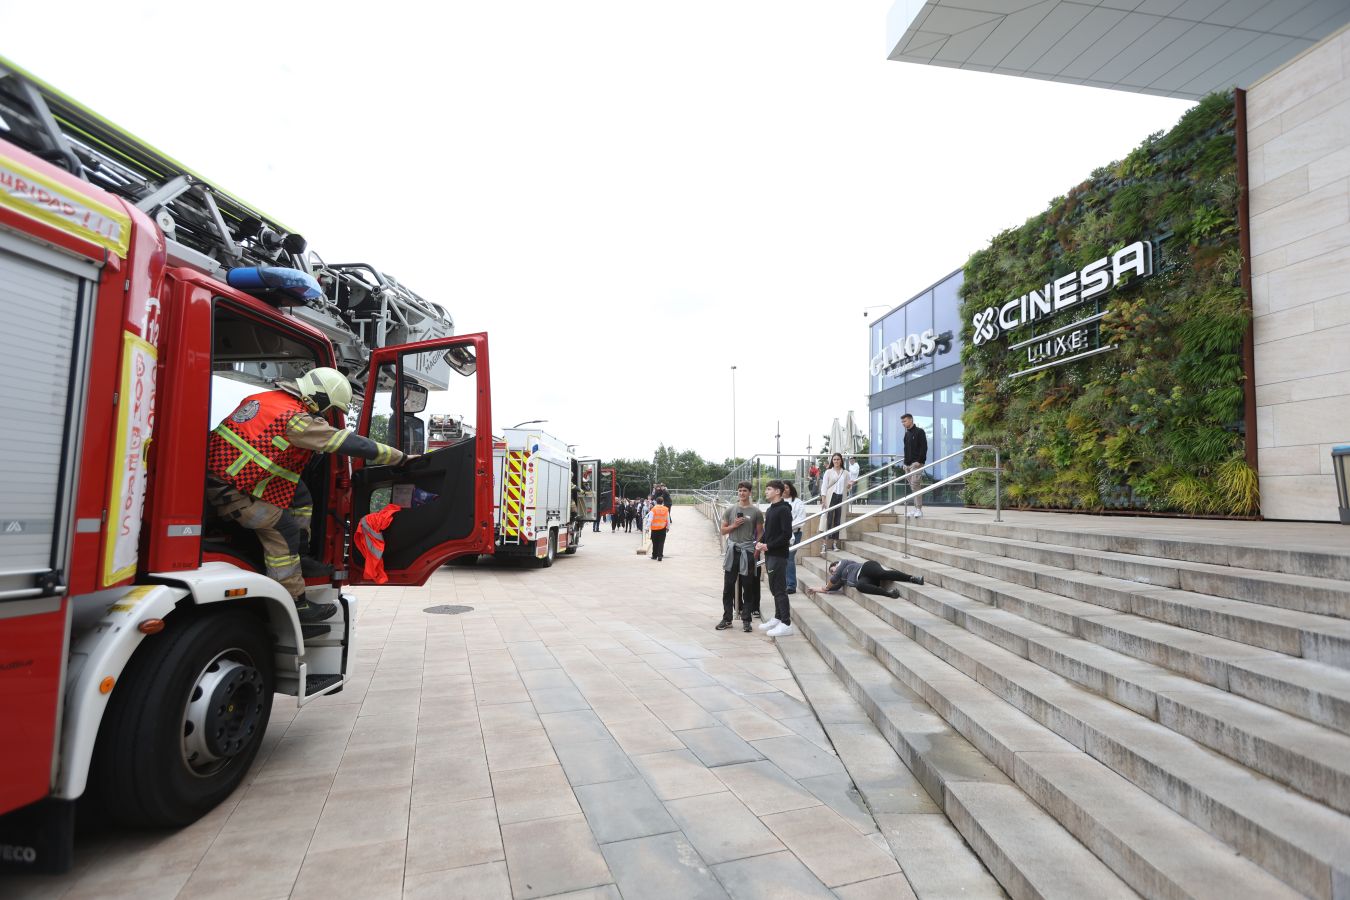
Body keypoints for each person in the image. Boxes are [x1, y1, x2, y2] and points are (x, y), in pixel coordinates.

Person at [206, 366, 406, 622]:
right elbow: (348, 443)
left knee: (299, 496)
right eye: (327, 408)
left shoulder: (267, 400)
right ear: (319, 396)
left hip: (225, 475)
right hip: (228, 488)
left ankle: (301, 556)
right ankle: (295, 604)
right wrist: (399, 457)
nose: (324, 414)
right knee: (283, 529)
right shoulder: (297, 420)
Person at [718, 481, 763, 632]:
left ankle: (746, 619)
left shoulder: (756, 512)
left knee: (748, 587)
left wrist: (756, 549)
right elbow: (723, 531)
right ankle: (727, 618)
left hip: (748, 551)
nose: (742, 493)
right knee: (728, 587)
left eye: (745, 491)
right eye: (740, 491)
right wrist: (734, 526)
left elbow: (760, 532)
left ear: (750, 493)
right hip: (732, 551)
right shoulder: (730, 510)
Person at [755, 480, 794, 637]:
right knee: (774, 588)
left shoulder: (784, 510)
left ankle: (786, 623)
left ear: (778, 492)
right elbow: (768, 531)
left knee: (779, 589)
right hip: (771, 554)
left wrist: (768, 546)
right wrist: (761, 542)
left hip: (778, 555)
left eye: (769, 489)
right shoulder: (771, 509)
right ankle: (778, 618)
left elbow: (786, 535)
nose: (766, 491)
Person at [808, 559, 924, 599]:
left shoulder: (843, 563)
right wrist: (816, 589)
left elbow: (834, 579)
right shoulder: (841, 578)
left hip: (866, 567)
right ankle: (889, 594)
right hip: (863, 578)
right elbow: (832, 587)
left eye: (832, 570)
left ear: (836, 564)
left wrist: (827, 585)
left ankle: (913, 578)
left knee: (882, 573)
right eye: (831, 572)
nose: (832, 573)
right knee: (860, 586)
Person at [819, 453, 850, 552]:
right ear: (832, 461)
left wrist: (850, 485)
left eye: (838, 459)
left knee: (838, 520)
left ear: (841, 460)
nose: (836, 461)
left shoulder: (845, 473)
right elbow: (824, 486)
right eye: (834, 459)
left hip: (841, 497)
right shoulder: (828, 472)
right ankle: (824, 544)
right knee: (827, 519)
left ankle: (834, 544)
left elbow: (848, 487)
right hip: (830, 497)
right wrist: (823, 500)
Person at [902, 413, 928, 518]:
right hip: (907, 465)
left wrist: (920, 461)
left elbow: (924, 447)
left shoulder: (919, 432)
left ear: (911, 420)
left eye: (905, 421)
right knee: (913, 487)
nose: (903, 423)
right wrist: (904, 463)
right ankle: (915, 508)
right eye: (902, 422)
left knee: (915, 485)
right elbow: (905, 450)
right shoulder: (906, 434)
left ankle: (919, 509)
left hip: (916, 464)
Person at [784, 481, 806, 594]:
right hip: (781, 534)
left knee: (789, 558)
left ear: (791, 489)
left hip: (795, 533)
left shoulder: (798, 502)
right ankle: (783, 583)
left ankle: (791, 585)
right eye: (782, 488)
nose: (784, 490)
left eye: (787, 487)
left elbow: (801, 519)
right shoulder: (779, 502)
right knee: (782, 559)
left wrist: (787, 527)